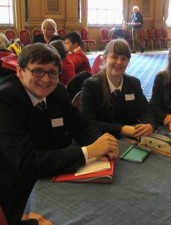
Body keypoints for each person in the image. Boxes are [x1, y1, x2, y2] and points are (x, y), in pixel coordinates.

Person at [0, 43, 119, 225]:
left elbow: (80, 124)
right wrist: (88, 152)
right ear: (20, 71)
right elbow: (27, 163)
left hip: (58, 175)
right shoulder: (6, 101)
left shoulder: (57, 92)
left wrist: (101, 142)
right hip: (22, 192)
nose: (46, 79)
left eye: (53, 73)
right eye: (38, 71)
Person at [80, 39, 155, 138]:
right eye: (114, 57)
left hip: (133, 139)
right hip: (103, 140)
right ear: (105, 58)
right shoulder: (91, 85)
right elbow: (88, 122)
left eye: (123, 58)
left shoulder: (133, 83)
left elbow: (146, 110)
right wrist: (122, 129)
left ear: (128, 61)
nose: (119, 62)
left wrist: (149, 124)